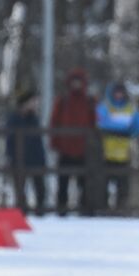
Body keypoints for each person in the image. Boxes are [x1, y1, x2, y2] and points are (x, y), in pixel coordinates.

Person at [49, 67, 97, 215]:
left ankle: (85, 209)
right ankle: (61, 209)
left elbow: (94, 123)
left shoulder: (89, 101)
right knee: (63, 181)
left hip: (83, 149)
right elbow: (54, 122)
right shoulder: (63, 101)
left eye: (79, 81)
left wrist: (92, 145)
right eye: (74, 81)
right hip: (65, 148)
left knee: (85, 182)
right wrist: (55, 143)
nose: (76, 85)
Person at [96, 81, 139, 211]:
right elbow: (100, 123)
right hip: (106, 153)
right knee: (103, 185)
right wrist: (125, 129)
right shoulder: (106, 107)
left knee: (123, 185)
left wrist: (132, 132)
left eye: (121, 93)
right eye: (116, 93)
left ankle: (121, 209)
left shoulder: (129, 109)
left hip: (124, 153)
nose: (118, 95)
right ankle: (104, 209)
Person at [5, 89, 49, 213]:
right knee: (20, 191)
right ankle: (21, 213)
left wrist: (42, 159)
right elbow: (10, 140)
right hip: (19, 159)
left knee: (40, 189)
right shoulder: (14, 119)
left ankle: (40, 213)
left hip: (35, 159)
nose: (35, 104)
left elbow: (38, 141)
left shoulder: (34, 118)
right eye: (33, 101)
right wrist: (11, 157)